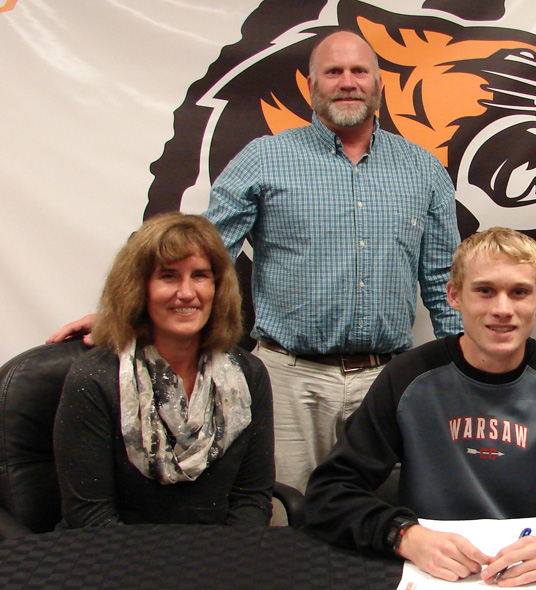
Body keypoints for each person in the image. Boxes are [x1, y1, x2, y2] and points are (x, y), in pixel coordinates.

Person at [49, 30, 462, 494]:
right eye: (333, 72)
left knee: (384, 519)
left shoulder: (423, 169)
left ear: (378, 84)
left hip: (389, 379)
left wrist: (468, 372)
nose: (347, 82)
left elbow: (444, 281)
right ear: (312, 87)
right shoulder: (265, 159)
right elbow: (202, 257)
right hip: (288, 381)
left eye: (359, 71)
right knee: (284, 519)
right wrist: (118, 317)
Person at [305, 227, 536, 586]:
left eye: (519, 292)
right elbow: (329, 492)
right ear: (454, 296)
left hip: (535, 581)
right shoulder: (407, 376)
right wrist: (404, 536)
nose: (502, 309)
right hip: (430, 578)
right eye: (484, 291)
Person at [53, 213, 274, 527]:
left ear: (217, 286)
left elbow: (250, 498)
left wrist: (227, 565)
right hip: (115, 561)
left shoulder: (248, 374)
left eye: (199, 275)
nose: (186, 293)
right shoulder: (95, 378)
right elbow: (90, 516)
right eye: (168, 276)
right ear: (138, 289)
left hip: (221, 558)